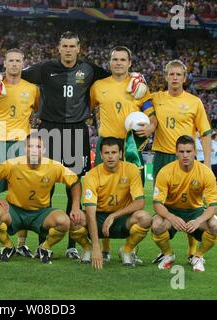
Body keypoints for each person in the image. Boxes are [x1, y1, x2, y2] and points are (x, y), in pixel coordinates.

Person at [22, 31, 148, 260]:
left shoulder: (89, 70)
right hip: (49, 130)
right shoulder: (44, 68)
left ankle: (72, 244)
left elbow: (118, 74)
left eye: (72, 46)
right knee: (45, 185)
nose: (68, 49)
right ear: (58, 48)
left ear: (78, 48)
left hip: (76, 131)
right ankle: (43, 241)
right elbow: (15, 74)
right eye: (64, 46)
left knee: (74, 185)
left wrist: (138, 77)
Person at [0, 133, 90, 264]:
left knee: (64, 222)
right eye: (30, 146)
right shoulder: (12, 164)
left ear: (43, 150)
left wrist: (76, 205)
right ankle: (8, 246)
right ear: (24, 148)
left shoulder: (54, 166)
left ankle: (45, 248)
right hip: (14, 211)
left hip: (40, 213)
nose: (33, 149)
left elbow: (75, 182)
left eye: (37, 146)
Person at [89, 46, 157, 261]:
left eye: (122, 60)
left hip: (132, 147)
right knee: (102, 195)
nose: (118, 63)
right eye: (115, 59)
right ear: (110, 63)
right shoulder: (98, 86)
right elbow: (87, 109)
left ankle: (129, 249)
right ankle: (105, 247)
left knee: (132, 194)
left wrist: (151, 127)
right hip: (106, 145)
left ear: (129, 63)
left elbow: (152, 115)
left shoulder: (139, 87)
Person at [0, 48, 40, 257]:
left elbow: (38, 109)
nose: (14, 64)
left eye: (18, 60)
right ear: (4, 63)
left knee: (23, 196)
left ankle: (22, 244)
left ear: (23, 63)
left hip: (20, 146)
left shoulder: (32, 89)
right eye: (11, 60)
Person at [151, 59, 213, 260]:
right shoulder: (156, 98)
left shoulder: (195, 102)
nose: (175, 78)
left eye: (179, 74)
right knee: (162, 206)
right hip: (162, 156)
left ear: (184, 78)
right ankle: (164, 252)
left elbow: (205, 133)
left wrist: (208, 163)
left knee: (190, 204)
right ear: (166, 76)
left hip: (185, 158)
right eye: (171, 74)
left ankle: (192, 250)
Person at [152, 135, 217, 272]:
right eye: (182, 151)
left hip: (195, 211)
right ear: (176, 152)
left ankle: (197, 256)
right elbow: (157, 203)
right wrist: (171, 217)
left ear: (195, 151)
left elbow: (213, 205)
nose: (185, 155)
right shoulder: (165, 171)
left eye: (188, 151)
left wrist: (198, 220)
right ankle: (168, 254)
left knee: (216, 226)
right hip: (172, 210)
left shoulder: (206, 173)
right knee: (156, 225)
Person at [83, 137, 151, 269]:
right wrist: (96, 246)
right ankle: (88, 248)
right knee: (76, 220)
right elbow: (90, 214)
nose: (110, 157)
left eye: (114, 152)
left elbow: (140, 202)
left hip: (122, 218)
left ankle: (127, 250)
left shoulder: (131, 170)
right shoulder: (91, 175)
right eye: (106, 153)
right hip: (98, 217)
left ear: (120, 154)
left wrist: (114, 215)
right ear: (101, 155)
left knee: (145, 218)